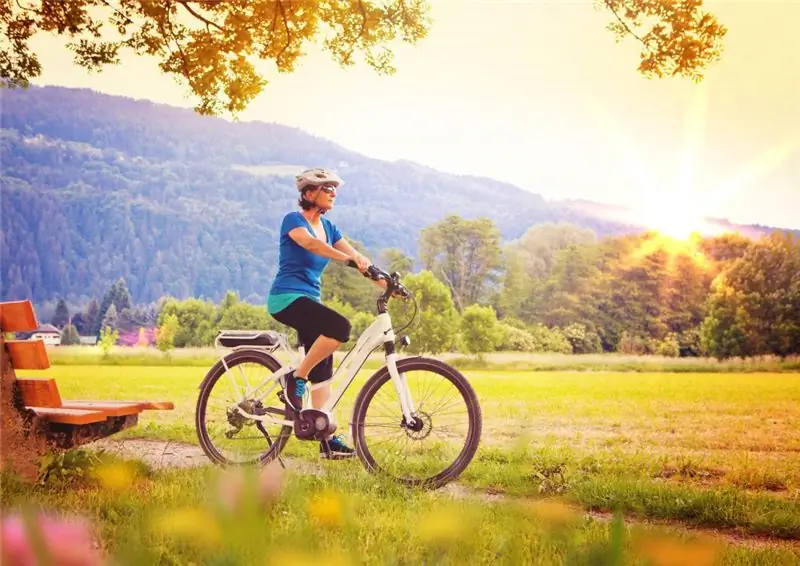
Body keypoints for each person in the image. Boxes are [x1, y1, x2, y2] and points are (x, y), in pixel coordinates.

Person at [266, 167, 385, 459]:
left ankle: (325, 438)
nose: (333, 193)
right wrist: (348, 260)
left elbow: (357, 257)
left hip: (310, 300)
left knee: (324, 370)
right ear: (309, 193)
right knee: (340, 328)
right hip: (286, 298)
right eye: (327, 188)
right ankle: (297, 378)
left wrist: (385, 282)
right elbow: (311, 244)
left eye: (335, 189)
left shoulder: (330, 228)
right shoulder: (293, 220)